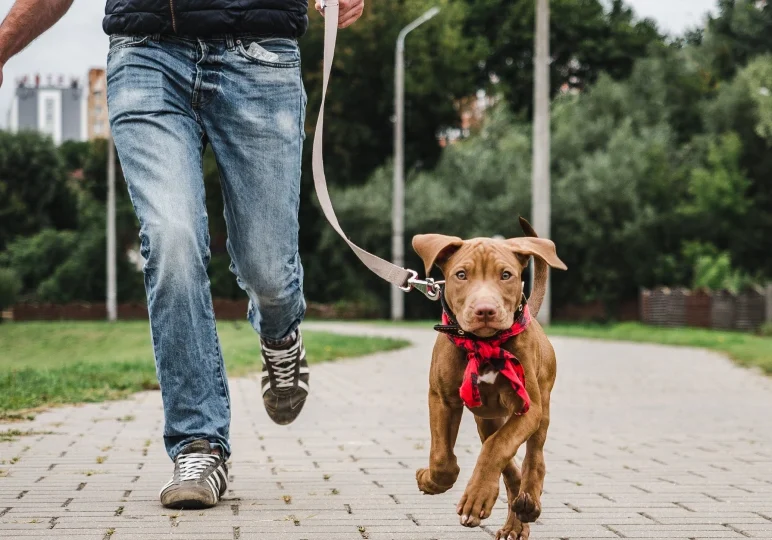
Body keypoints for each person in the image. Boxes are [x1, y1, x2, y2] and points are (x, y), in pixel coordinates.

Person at [0, 0, 364, 509]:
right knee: (171, 240)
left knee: (268, 270)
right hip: (147, 55)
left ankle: (280, 335)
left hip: (260, 53)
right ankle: (198, 441)